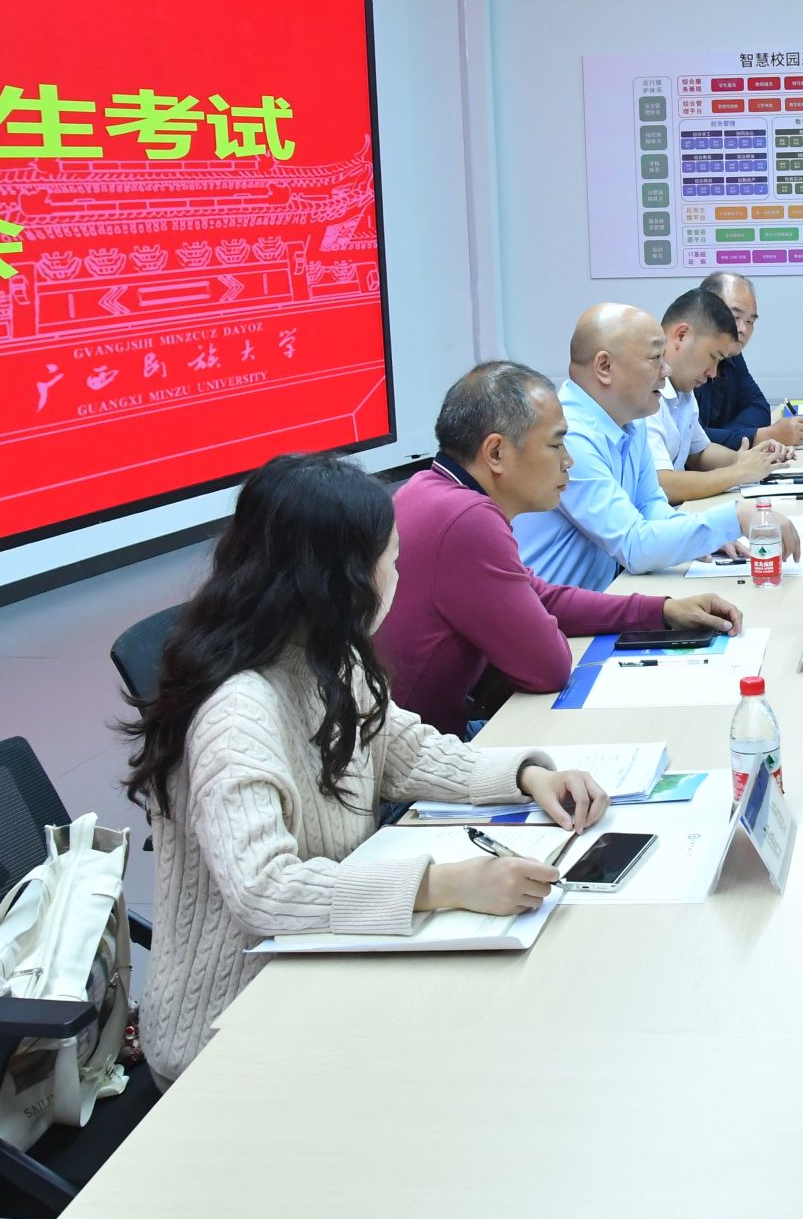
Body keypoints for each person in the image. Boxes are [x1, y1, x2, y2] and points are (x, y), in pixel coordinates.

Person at [121, 452, 615, 1083]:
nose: (398, 576)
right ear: (341, 579)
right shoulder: (238, 712)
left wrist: (527, 776)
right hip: (231, 1026)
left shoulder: (323, 652)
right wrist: (447, 886)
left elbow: (402, 750)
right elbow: (265, 890)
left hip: (327, 958)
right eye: (393, 561)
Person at [375, 361, 743, 737]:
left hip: (418, 737)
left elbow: (541, 596)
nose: (568, 460)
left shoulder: (427, 488)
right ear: (496, 453)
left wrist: (662, 610)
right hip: (419, 758)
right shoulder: (468, 519)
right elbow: (548, 668)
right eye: (555, 444)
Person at [516, 303, 801, 590]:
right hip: (551, 613)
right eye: (656, 358)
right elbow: (632, 546)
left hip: (601, 597)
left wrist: (701, 536)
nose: (666, 370)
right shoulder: (569, 435)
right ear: (605, 367)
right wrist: (736, 517)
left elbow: (651, 507)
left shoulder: (630, 420)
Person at [649, 287, 796, 501]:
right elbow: (661, 484)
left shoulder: (683, 390)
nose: (713, 372)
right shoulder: (646, 392)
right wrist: (738, 472)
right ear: (681, 336)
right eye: (713, 357)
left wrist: (745, 459)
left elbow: (700, 452)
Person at [694, 271, 803, 450]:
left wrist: (729, 436)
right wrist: (761, 436)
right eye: (735, 317)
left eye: (750, 321)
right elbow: (691, 440)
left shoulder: (733, 356)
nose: (742, 329)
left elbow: (759, 407)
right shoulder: (686, 363)